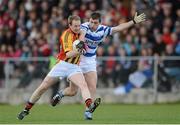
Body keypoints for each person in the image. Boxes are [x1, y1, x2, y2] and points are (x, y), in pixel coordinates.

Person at [51, 12, 146, 120]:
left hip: (90, 61)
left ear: (100, 23)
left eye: (95, 23)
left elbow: (119, 28)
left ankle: (88, 112)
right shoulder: (84, 26)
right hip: (79, 59)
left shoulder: (103, 30)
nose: (92, 24)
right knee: (73, 91)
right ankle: (60, 94)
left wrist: (133, 22)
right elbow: (81, 35)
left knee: (92, 87)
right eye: (91, 21)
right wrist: (81, 44)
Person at [17, 15, 100, 120]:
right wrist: (80, 50)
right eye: (75, 26)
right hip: (62, 65)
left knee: (83, 86)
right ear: (69, 25)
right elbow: (69, 54)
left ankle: (89, 106)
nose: (78, 28)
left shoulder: (81, 32)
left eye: (79, 25)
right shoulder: (66, 35)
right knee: (43, 87)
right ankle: (26, 109)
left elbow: (92, 31)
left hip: (74, 67)